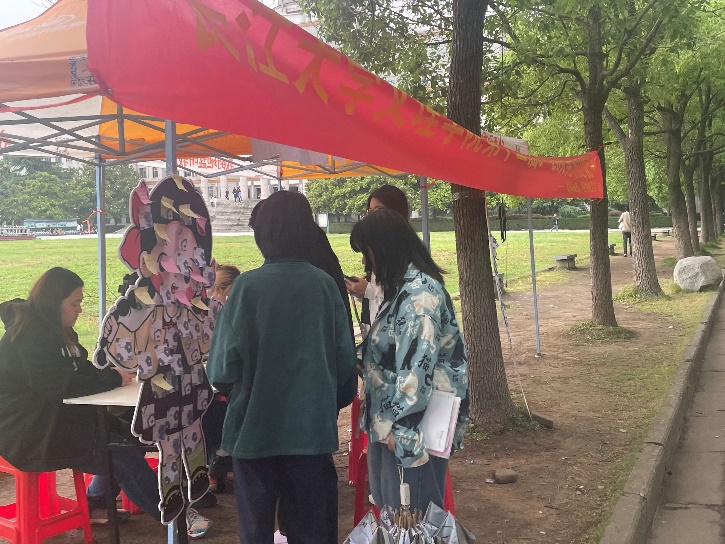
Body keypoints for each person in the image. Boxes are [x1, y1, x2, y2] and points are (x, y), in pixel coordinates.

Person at [206, 191, 357, 544]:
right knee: (311, 529)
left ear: (261, 234)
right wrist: (322, 404)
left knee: (256, 531)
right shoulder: (324, 285)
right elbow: (345, 365)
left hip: (253, 432)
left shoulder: (245, 288)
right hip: (310, 434)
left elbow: (221, 371)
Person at [0, 268, 161, 524]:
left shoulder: (55, 329)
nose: (79, 310)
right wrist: (111, 379)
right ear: (53, 303)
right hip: (32, 431)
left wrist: (111, 374)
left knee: (134, 433)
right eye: (74, 304)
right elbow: (58, 386)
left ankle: (96, 503)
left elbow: (78, 368)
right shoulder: (30, 336)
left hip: (59, 418)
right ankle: (174, 517)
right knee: (120, 454)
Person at [350, 210, 469, 512]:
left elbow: (418, 369)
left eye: (367, 253)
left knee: (414, 519)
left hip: (409, 430)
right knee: (393, 514)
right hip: (390, 423)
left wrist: (402, 430)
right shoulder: (402, 289)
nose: (365, 262)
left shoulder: (419, 296)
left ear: (384, 249)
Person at [345, 184, 410, 333]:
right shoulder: (375, 244)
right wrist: (362, 292)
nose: (372, 216)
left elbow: (401, 297)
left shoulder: (405, 254)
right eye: (370, 211)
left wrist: (368, 290)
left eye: (379, 210)